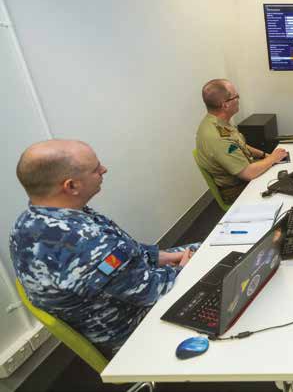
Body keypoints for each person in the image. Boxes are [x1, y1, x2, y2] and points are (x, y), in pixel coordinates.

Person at [10, 140, 199, 357]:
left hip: (128, 294)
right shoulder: (83, 242)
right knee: (219, 272)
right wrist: (184, 268)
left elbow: (124, 255)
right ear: (71, 186)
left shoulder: (32, 219)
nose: (104, 170)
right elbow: (150, 292)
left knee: (210, 248)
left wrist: (167, 257)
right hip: (133, 328)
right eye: (95, 168)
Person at [196, 79, 288, 203]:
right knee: (287, 192)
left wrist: (266, 155)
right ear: (225, 104)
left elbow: (239, 144)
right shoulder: (217, 137)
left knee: (287, 175)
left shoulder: (216, 122)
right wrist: (272, 159)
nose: (239, 100)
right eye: (236, 96)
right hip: (238, 189)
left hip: (245, 174)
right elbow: (248, 173)